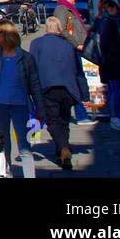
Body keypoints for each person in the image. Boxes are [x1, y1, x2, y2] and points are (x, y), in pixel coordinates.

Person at [0, 20, 41, 173]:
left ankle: (29, 175)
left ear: (8, 34)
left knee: (24, 146)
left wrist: (40, 108)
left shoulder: (25, 58)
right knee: (3, 144)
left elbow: (35, 84)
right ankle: (6, 172)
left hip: (21, 105)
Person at [28, 17, 86, 170]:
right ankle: (61, 149)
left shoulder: (36, 44)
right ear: (60, 28)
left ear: (46, 28)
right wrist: (84, 93)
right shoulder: (67, 45)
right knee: (64, 119)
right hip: (68, 87)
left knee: (53, 121)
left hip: (47, 87)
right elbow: (77, 70)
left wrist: (29, 89)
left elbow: (31, 67)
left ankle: (63, 148)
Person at [90, 0, 120, 131]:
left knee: (113, 90)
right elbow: (110, 44)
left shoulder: (101, 21)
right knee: (117, 90)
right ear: (112, 8)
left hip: (108, 62)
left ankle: (116, 116)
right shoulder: (109, 23)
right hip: (114, 61)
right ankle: (117, 118)